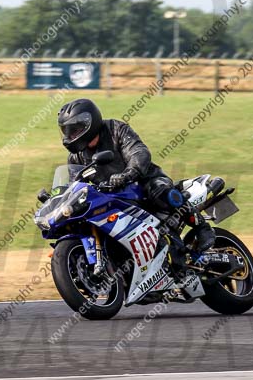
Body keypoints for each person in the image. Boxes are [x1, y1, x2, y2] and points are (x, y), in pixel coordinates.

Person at [57, 98, 214, 274]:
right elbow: (76, 186)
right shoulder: (76, 157)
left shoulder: (116, 129)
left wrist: (127, 174)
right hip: (114, 196)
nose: (70, 136)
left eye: (74, 130)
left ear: (89, 124)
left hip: (143, 181)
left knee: (161, 192)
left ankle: (202, 227)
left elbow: (139, 152)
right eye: (67, 131)